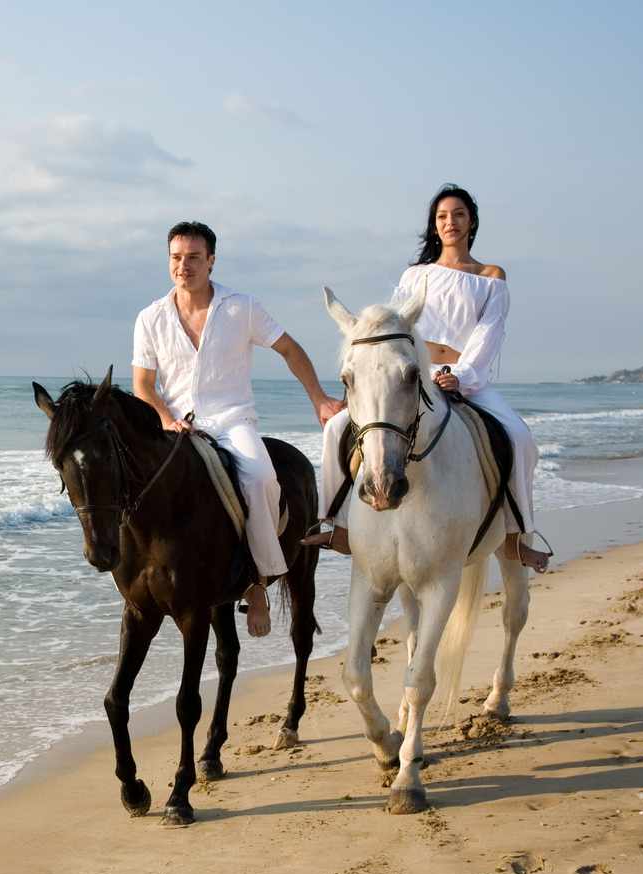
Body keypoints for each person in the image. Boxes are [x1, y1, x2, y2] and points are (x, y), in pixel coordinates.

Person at [302, 184, 552, 572]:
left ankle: (515, 537)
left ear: (472, 222)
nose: (450, 222)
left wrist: (462, 376)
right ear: (434, 226)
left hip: (465, 377)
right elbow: (395, 328)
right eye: (442, 217)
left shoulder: (490, 275)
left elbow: (489, 333)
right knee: (337, 428)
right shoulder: (415, 275)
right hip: (413, 374)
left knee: (519, 438)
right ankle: (336, 523)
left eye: (458, 215)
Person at [132, 221, 345, 636]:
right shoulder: (150, 317)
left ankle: (259, 583)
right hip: (174, 426)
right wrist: (163, 418)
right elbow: (142, 385)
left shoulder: (241, 307)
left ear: (211, 261)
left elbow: (289, 349)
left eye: (194, 258)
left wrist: (319, 398)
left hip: (231, 420)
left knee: (262, 478)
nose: (184, 266)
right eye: (176, 258)